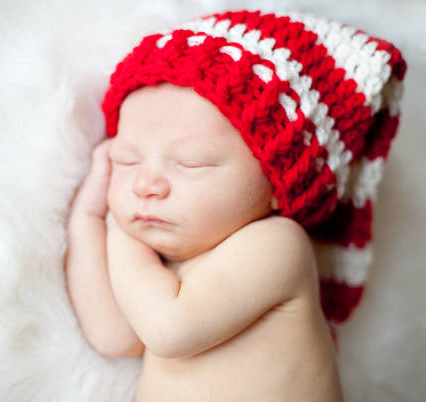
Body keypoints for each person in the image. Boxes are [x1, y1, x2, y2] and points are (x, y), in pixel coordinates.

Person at [64, 9, 406, 402]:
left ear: (276, 183)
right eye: (127, 160)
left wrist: (120, 232)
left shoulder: (277, 246)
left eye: (191, 163)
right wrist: (87, 220)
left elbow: (168, 329)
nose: (145, 184)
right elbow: (114, 337)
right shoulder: (157, 271)